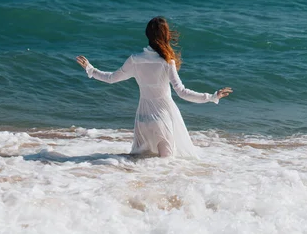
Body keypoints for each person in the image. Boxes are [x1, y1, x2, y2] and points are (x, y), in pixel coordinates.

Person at [76, 17, 232, 158]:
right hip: (163, 118)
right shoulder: (166, 62)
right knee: (165, 168)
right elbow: (182, 92)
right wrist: (211, 97)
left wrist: (90, 69)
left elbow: (111, 78)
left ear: (147, 35)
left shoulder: (134, 60)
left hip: (142, 118)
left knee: (137, 164)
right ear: (165, 36)